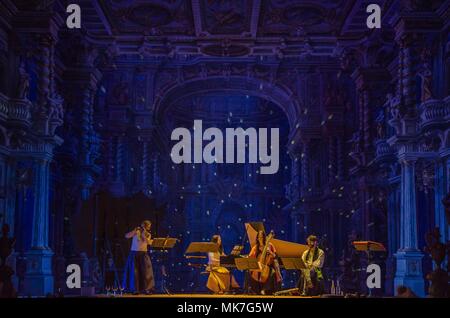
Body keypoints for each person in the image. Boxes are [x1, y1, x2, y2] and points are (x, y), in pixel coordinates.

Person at [122, 220, 155, 294]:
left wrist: (143, 234)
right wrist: (134, 231)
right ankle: (134, 289)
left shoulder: (148, 234)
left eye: (147, 227)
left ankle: (147, 289)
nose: (147, 228)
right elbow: (126, 236)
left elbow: (148, 242)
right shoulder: (136, 232)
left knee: (146, 272)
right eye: (145, 226)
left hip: (143, 254)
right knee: (134, 272)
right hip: (134, 253)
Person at [248, 230, 282, 295]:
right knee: (248, 271)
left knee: (272, 272)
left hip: (268, 265)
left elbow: (275, 256)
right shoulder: (255, 247)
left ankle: (265, 289)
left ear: (264, 237)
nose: (260, 239)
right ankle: (252, 289)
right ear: (257, 238)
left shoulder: (270, 245)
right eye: (259, 237)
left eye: (262, 237)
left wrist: (271, 253)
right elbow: (250, 257)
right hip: (258, 265)